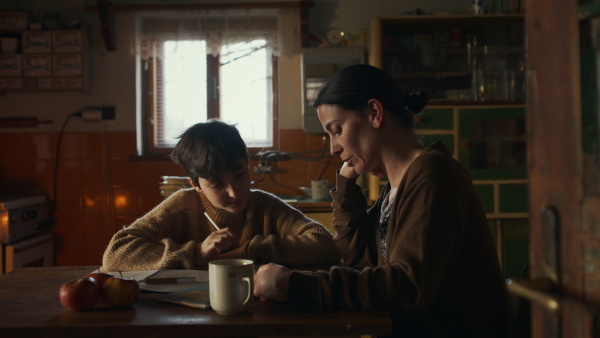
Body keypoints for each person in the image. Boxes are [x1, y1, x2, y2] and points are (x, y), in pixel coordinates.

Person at [253, 64, 520, 337]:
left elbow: (406, 288)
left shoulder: (432, 175)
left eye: (337, 129)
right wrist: (345, 186)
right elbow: (359, 258)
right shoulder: (396, 185)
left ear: (374, 113)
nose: (333, 147)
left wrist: (295, 286)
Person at [102, 120, 341, 271]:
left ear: (247, 160)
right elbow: (117, 253)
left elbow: (324, 243)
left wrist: (249, 250)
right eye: (217, 184)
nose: (235, 192)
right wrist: (198, 253)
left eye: (239, 175)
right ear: (194, 183)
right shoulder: (183, 205)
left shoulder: (266, 207)